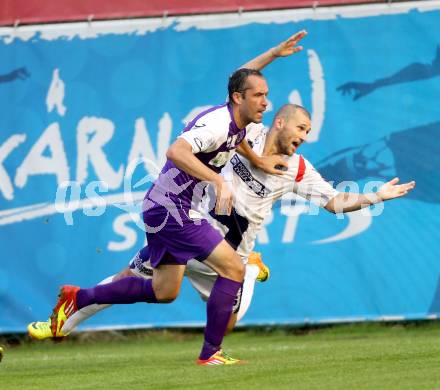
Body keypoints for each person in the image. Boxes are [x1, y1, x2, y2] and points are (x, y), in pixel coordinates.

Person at [29, 103, 415, 358]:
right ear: (278, 121)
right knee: (128, 279)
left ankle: (247, 271)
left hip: (230, 252)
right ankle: (58, 323)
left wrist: (375, 196)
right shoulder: (246, 133)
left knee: (222, 318)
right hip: (192, 230)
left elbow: (334, 203)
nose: (304, 135)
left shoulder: (298, 170)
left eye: (308, 132)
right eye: (300, 126)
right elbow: (237, 98)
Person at [43, 31, 309, 366]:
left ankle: (78, 298)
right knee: (233, 267)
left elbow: (240, 81)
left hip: (166, 208)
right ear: (239, 98)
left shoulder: (238, 119)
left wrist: (272, 53)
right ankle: (210, 354)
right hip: (173, 209)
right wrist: (216, 180)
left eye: (267, 95)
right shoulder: (216, 125)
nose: (266, 102)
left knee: (164, 291)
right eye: (259, 96)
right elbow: (176, 150)